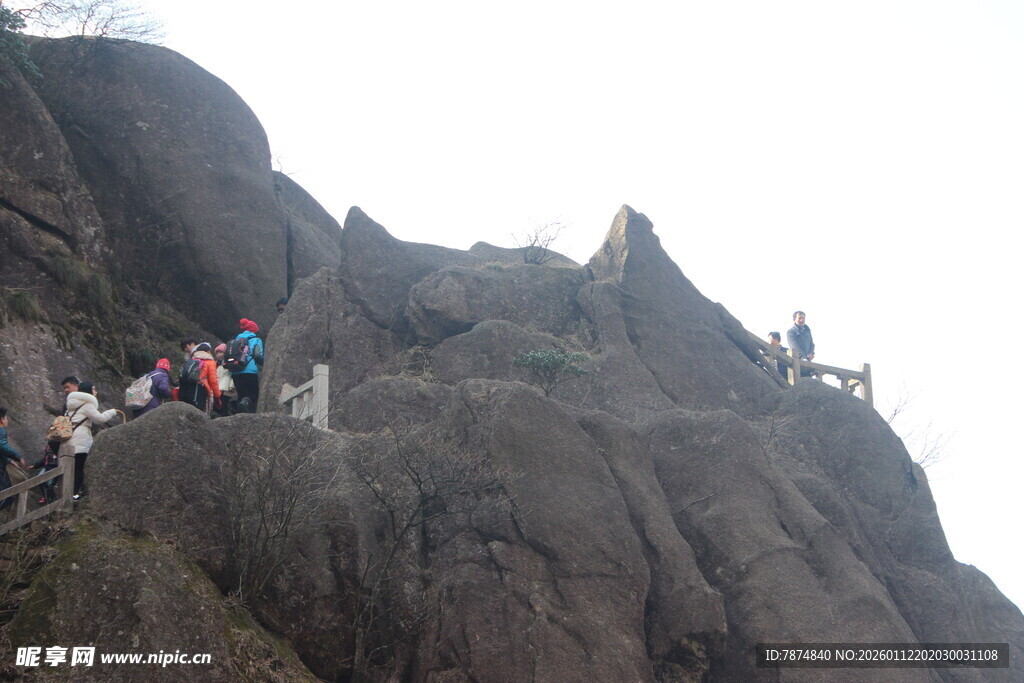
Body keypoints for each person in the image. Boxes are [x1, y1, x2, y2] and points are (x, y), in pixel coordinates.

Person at [59, 381, 118, 500]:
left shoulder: (70, 407)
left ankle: (66, 495)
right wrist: (113, 412)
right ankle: (75, 494)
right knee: (80, 468)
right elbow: (100, 419)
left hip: (68, 442)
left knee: (70, 470)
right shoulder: (86, 405)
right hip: (80, 441)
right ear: (88, 391)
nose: (95, 392)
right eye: (94, 389)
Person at [230, 318, 264, 412]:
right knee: (253, 394)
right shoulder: (256, 340)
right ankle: (246, 403)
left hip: (235, 371)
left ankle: (239, 410)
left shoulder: (235, 339)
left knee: (241, 394)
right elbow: (258, 355)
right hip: (249, 370)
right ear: (254, 330)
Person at [179, 343, 221, 415]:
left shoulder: (191, 360)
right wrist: (218, 395)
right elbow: (213, 381)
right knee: (198, 413)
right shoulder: (210, 362)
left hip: (184, 389)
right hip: (199, 389)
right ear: (208, 352)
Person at [0, 407, 27, 511]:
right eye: (6, 418)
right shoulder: (1, 430)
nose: (7, 421)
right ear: (2, 420)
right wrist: (17, 456)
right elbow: (1, 445)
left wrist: (8, 461)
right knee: (8, 496)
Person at [213, 343, 236, 417]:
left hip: (226, 387)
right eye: (217, 353)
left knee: (224, 403)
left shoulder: (229, 363)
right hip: (218, 387)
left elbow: (232, 375)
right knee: (217, 404)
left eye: (220, 352)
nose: (219, 355)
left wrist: (232, 386)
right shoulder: (216, 364)